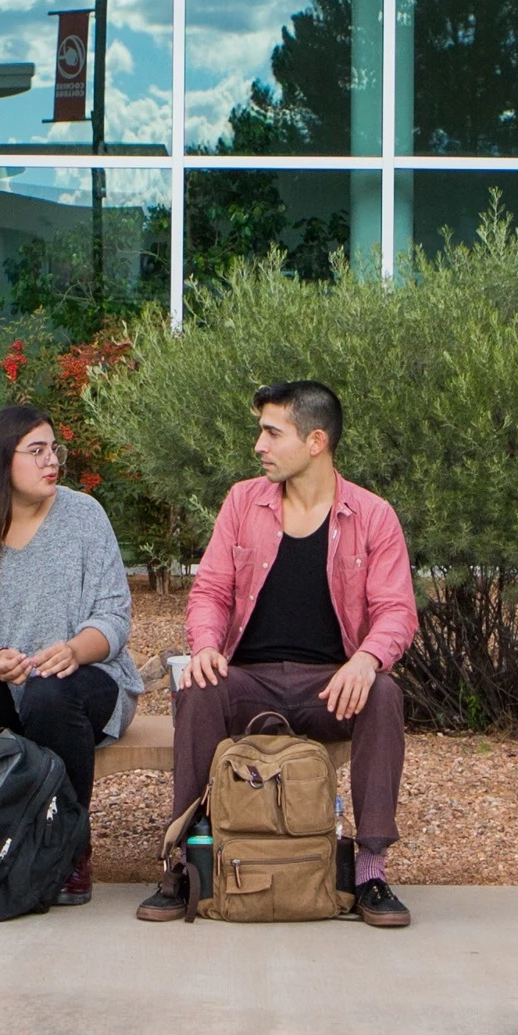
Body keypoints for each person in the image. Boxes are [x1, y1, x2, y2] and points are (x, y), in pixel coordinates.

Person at [139, 379, 415, 928]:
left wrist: (367, 660)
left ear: (316, 441)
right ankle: (188, 862)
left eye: (271, 432)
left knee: (383, 692)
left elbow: (397, 611)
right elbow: (211, 591)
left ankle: (371, 870)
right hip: (251, 681)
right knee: (198, 685)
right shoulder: (244, 501)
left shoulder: (372, 515)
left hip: (329, 687)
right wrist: (206, 646)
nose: (258, 445)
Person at [0, 402, 141, 908]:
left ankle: (66, 848)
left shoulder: (84, 515)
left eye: (53, 449)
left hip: (89, 678)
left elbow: (114, 617)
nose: (51, 461)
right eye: (36, 451)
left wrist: (74, 649)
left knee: (50, 692)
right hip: (5, 680)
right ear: (0, 461)